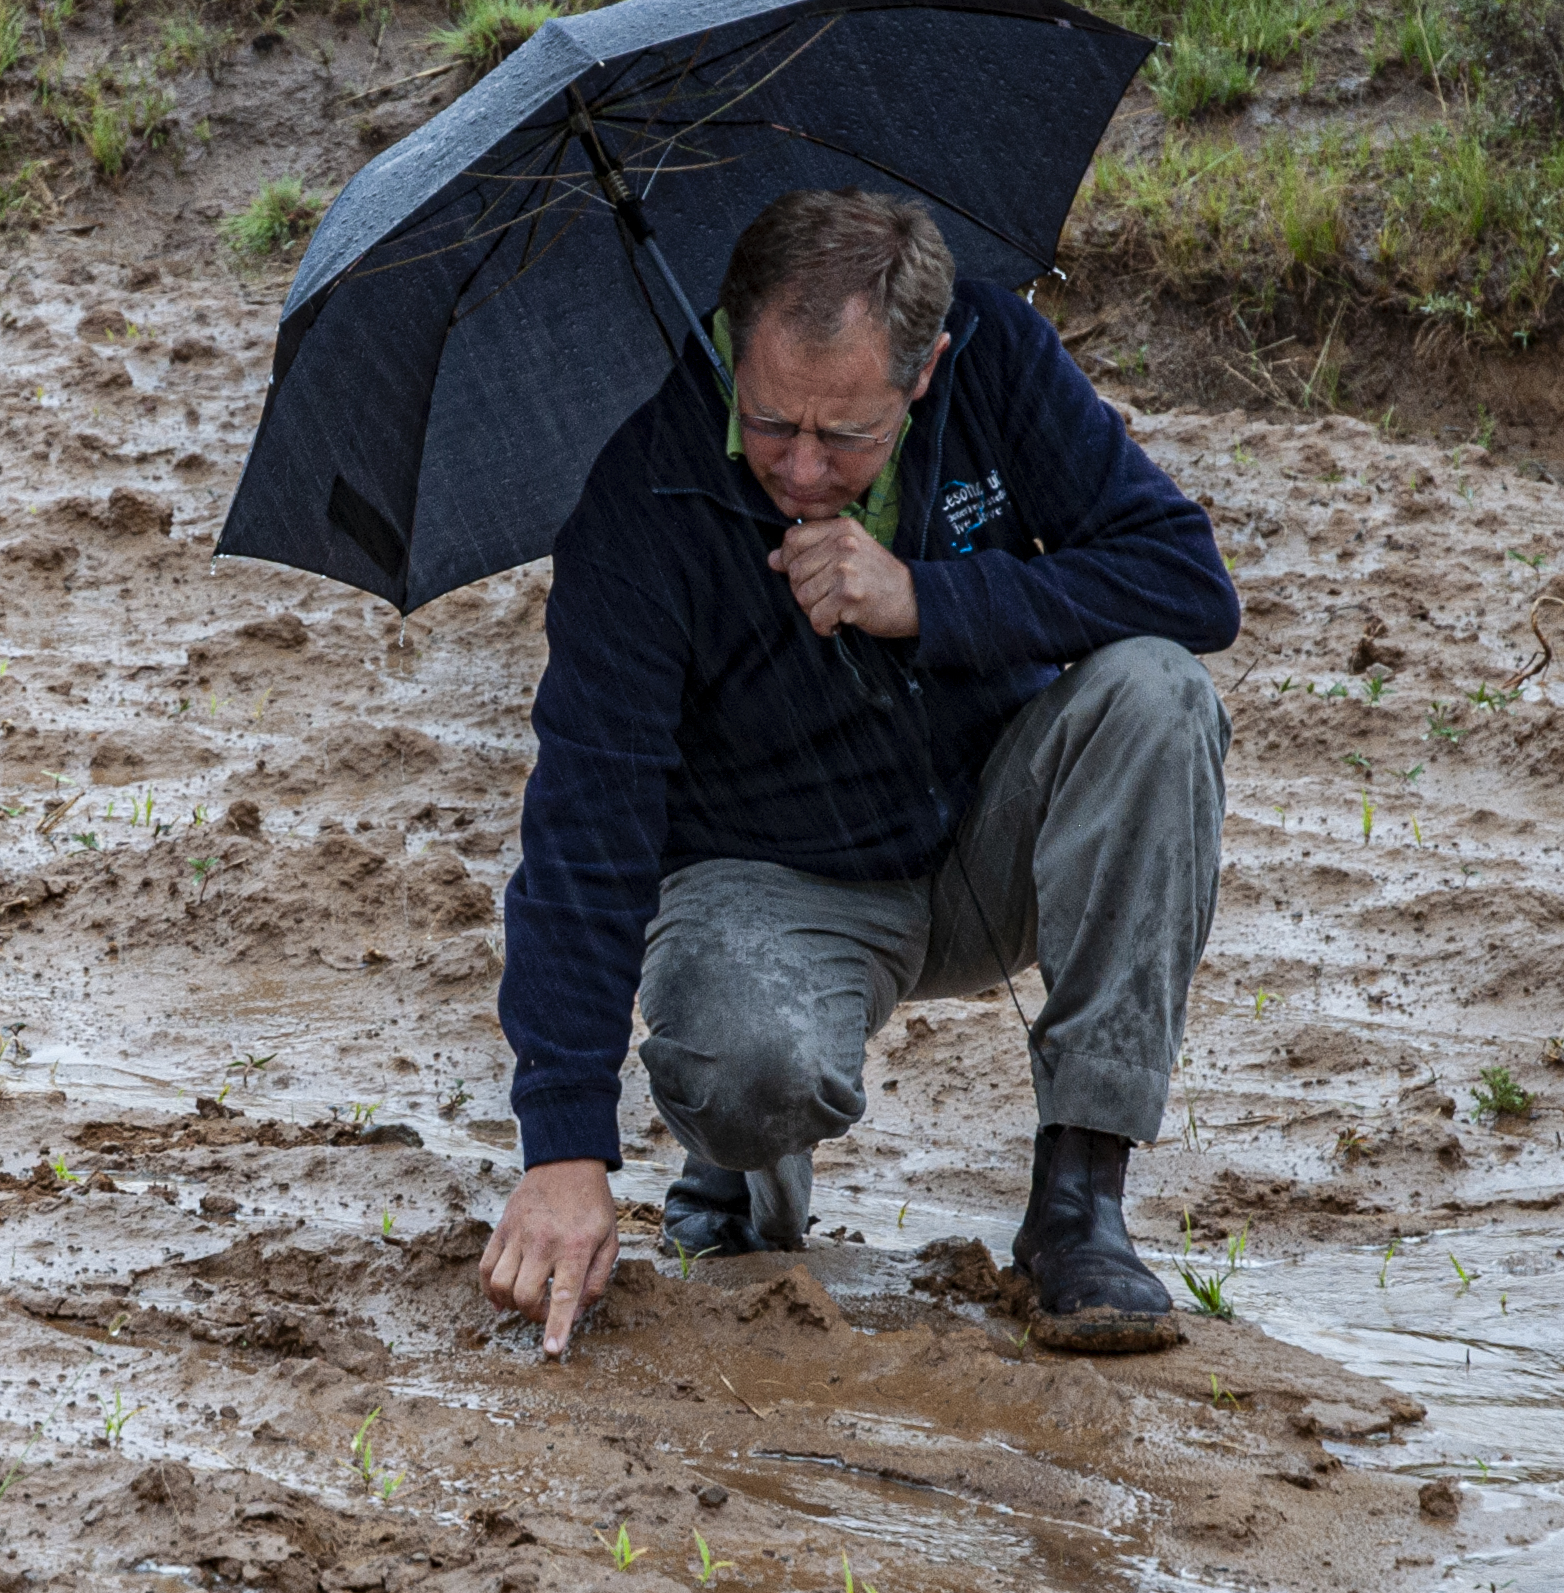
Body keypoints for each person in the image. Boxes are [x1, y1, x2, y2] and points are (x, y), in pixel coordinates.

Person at [473, 186, 1241, 1358]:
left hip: (993, 836)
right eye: (772, 422)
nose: (802, 469)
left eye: (846, 436)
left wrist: (928, 599)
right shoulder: (639, 480)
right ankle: (741, 1177)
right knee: (745, 1071)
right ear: (736, 344)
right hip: (772, 876)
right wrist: (562, 1149)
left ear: (925, 367)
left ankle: (1080, 1200)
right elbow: (587, 813)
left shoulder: (999, 357)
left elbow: (1187, 583)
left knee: (1159, 693)